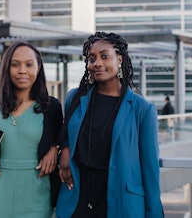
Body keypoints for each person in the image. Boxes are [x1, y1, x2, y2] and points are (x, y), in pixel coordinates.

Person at [56, 32, 164, 217]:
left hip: (120, 201)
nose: (97, 63)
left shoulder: (142, 109)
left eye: (104, 56)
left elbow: (150, 170)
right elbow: (65, 131)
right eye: (92, 58)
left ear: (119, 59)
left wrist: (154, 213)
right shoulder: (74, 98)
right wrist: (64, 149)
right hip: (78, 196)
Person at [0, 41, 63, 217]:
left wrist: (54, 148)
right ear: (6, 68)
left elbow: (63, 139)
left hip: (37, 192)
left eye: (29, 64)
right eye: (15, 64)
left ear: (39, 67)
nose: (22, 70)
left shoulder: (52, 107)